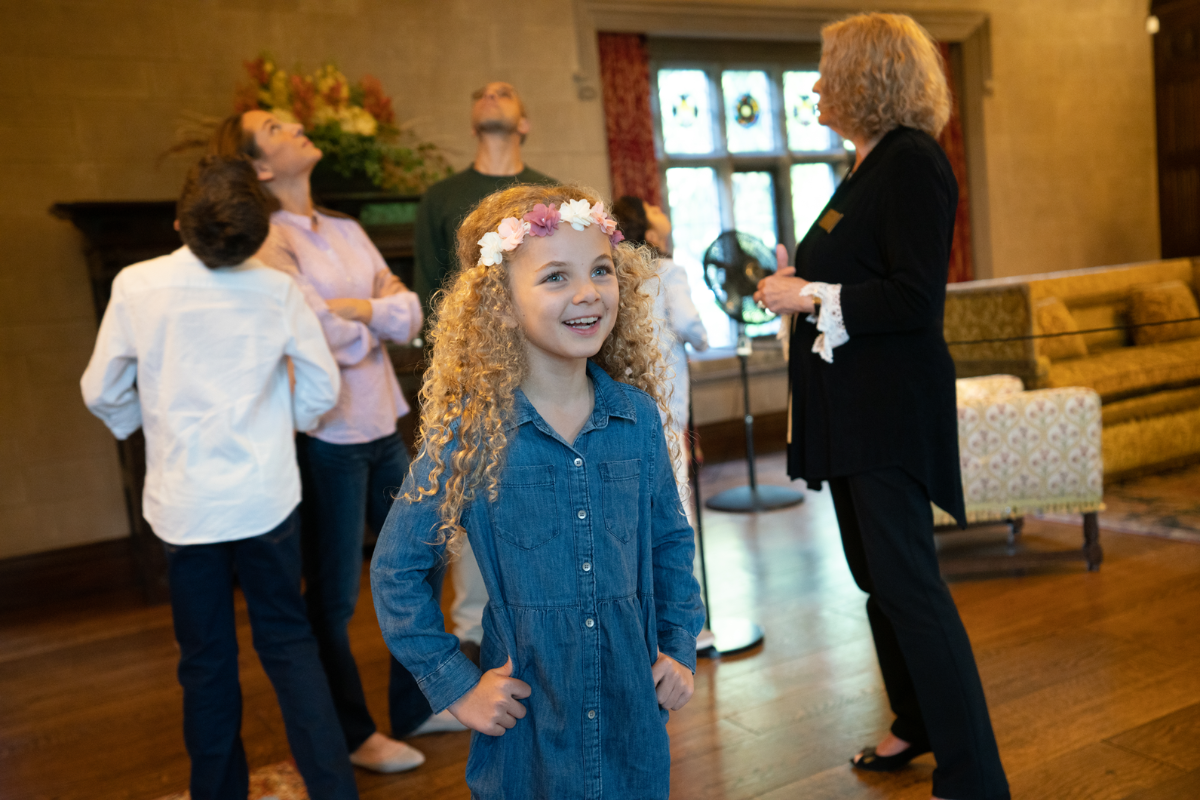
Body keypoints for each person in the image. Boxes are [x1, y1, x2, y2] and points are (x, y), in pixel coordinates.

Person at [371, 185, 706, 800]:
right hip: (528, 736)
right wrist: (456, 686)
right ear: (499, 304)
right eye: (556, 277)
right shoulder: (471, 434)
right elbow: (396, 570)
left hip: (634, 722)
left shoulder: (636, 418)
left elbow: (669, 542)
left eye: (600, 270)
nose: (587, 293)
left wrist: (680, 646)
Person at [755, 14, 1008, 800]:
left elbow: (912, 297)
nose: (819, 84)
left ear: (869, 76)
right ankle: (916, 723)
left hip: (887, 412)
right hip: (850, 409)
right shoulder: (865, 168)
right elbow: (860, 272)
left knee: (911, 590)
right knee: (879, 581)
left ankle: (975, 779)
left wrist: (808, 293)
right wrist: (803, 282)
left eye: (830, 69)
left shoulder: (912, 163)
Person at [81, 155, 356, 800]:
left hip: (186, 506)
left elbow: (101, 390)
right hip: (267, 498)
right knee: (290, 646)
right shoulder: (275, 288)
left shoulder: (135, 285)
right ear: (258, 231)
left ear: (179, 222)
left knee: (205, 663)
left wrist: (140, 422)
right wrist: (277, 425)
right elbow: (322, 386)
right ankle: (335, 789)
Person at [209, 110, 462, 775]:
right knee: (333, 599)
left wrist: (366, 314)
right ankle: (353, 733)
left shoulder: (347, 229)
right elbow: (312, 331)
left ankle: (414, 705)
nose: (295, 126)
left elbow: (410, 311)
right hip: (326, 437)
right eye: (275, 126)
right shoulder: (266, 238)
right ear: (260, 166)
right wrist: (370, 315)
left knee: (421, 564)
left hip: (384, 425)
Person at [413, 81, 556, 659]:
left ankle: (556, 619)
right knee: (475, 499)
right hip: (475, 376)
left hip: (546, 373)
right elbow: (432, 294)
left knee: (548, 493)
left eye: (506, 92)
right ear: (473, 119)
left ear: (525, 121)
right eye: (482, 92)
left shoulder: (551, 194)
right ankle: (474, 637)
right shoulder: (441, 197)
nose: (492, 95)